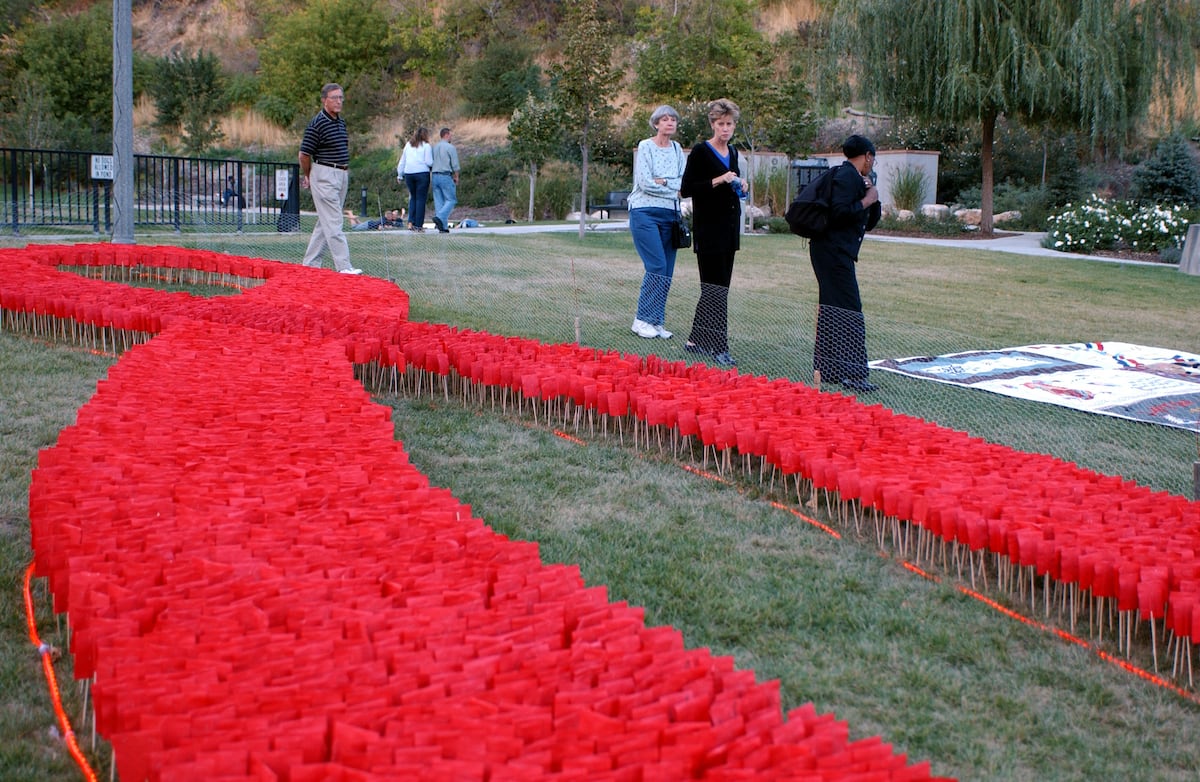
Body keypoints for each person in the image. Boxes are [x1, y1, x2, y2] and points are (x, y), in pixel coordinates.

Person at [809, 134, 883, 393]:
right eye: (872, 159)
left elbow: (867, 221)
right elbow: (840, 213)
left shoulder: (855, 178)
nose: (872, 164)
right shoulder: (846, 176)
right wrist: (868, 198)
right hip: (832, 253)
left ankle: (829, 369)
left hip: (833, 252)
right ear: (868, 156)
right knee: (850, 310)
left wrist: (872, 197)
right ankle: (853, 373)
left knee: (833, 308)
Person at [680, 98, 745, 367]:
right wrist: (719, 180)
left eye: (729, 124)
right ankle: (719, 346)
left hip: (729, 229)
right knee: (714, 289)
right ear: (712, 124)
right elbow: (687, 189)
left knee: (719, 289)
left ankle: (696, 340)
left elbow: (735, 186)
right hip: (709, 230)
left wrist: (741, 185)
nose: (725, 129)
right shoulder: (700, 152)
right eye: (721, 124)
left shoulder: (733, 153)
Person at [628, 105, 686, 340]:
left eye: (673, 119)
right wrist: (669, 185)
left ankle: (656, 321)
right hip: (644, 213)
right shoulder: (645, 146)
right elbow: (644, 182)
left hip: (670, 215)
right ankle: (641, 320)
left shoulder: (677, 148)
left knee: (667, 271)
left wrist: (664, 182)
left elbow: (683, 182)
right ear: (656, 124)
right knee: (656, 266)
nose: (669, 123)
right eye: (665, 119)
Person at [298, 83, 362, 274]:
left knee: (325, 222)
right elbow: (304, 154)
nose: (339, 101)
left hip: (341, 174)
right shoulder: (317, 123)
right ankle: (344, 267)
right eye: (334, 97)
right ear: (324, 100)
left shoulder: (340, 122)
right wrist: (308, 175)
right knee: (334, 221)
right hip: (324, 173)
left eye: (341, 97)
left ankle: (309, 265)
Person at [397, 127, 433, 232]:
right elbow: (429, 162)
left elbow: (402, 160)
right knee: (421, 199)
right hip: (422, 173)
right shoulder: (426, 146)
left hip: (409, 173)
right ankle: (418, 225)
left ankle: (410, 222)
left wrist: (400, 174)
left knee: (413, 197)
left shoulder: (408, 145)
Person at [430, 127, 460, 233]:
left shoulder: (434, 147)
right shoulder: (450, 147)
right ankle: (440, 217)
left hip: (434, 175)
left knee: (439, 202)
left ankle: (443, 227)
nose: (451, 137)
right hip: (445, 175)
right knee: (451, 200)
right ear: (446, 135)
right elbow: (455, 164)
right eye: (451, 135)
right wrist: (456, 176)